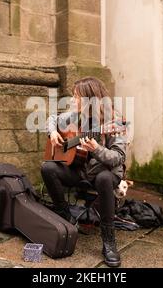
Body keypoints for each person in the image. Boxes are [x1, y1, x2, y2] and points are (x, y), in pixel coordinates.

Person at [41, 77, 127, 268]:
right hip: (81, 171)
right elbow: (52, 118)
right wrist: (53, 132)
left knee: (104, 178)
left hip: (104, 173)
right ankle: (66, 217)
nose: (72, 100)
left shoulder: (114, 121)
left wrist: (96, 149)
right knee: (47, 167)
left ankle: (109, 240)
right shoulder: (75, 115)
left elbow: (118, 158)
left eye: (76, 96)